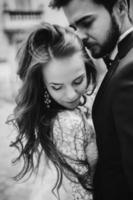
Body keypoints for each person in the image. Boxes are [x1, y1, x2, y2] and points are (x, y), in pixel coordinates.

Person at [51, 0, 133, 199]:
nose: (79, 35)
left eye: (86, 22)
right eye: (74, 27)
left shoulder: (129, 71)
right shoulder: (122, 61)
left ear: (121, 7)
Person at [8, 23, 98, 200]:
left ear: (87, 67)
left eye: (78, 81)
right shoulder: (68, 123)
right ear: (44, 87)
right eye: (57, 87)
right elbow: (80, 193)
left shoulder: (66, 115)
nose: (71, 95)